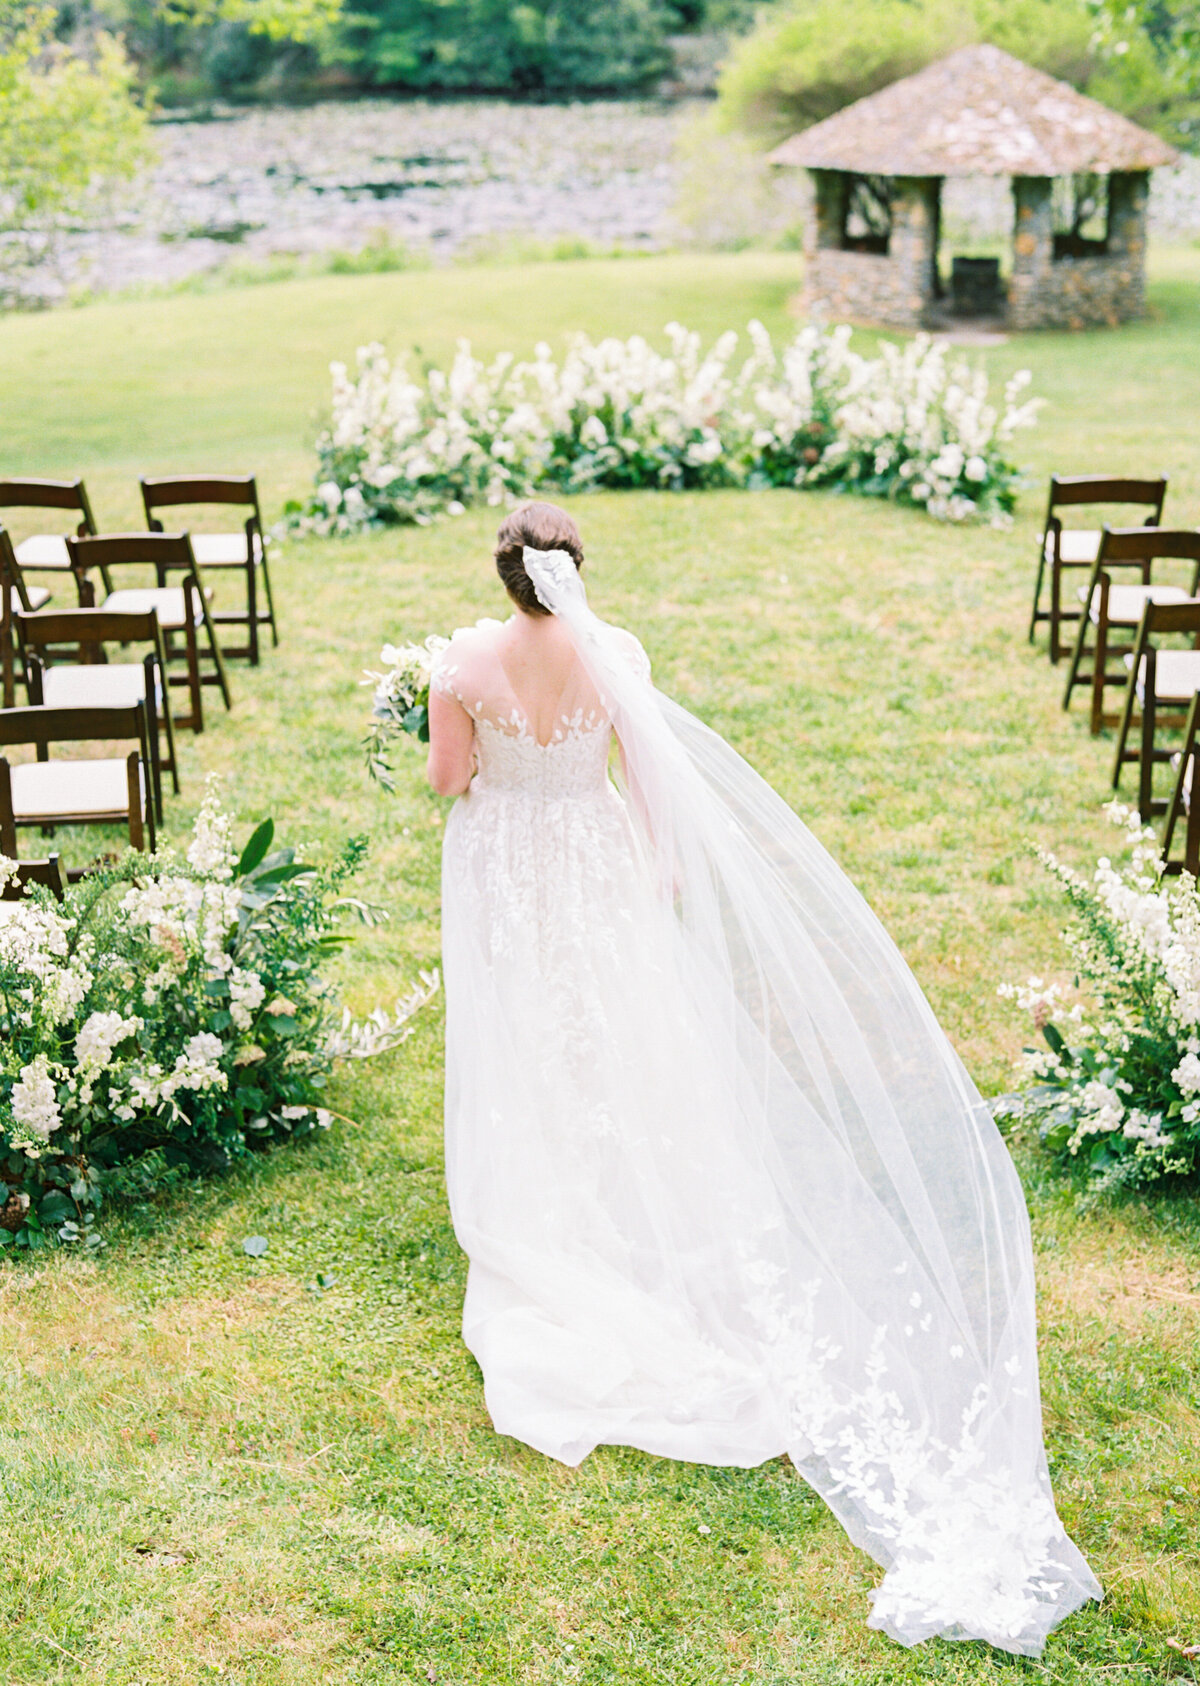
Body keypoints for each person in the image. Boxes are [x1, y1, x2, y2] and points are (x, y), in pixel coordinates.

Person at [426, 500, 1101, 1655]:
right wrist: (658, 867)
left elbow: (450, 782)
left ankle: (554, 1181)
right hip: (596, 859)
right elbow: (646, 782)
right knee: (614, 1027)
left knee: (535, 1024)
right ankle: (622, 1164)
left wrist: (449, 729)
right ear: (572, 571)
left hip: (512, 867)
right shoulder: (616, 655)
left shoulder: (462, 662)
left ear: (503, 579)